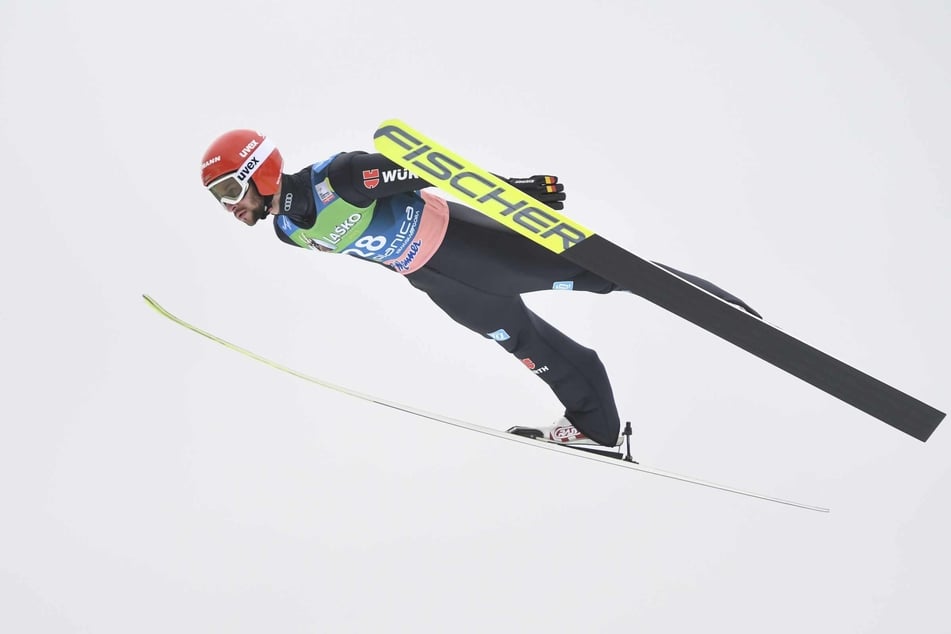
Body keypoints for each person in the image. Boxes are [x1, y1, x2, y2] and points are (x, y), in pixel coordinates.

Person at [200, 129, 760, 448]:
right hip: (440, 285)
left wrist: (514, 194)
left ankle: (724, 310)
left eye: (229, 189)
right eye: (218, 197)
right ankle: (597, 424)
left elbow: (427, 168)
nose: (230, 207)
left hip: (469, 246)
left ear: (259, 170)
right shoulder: (287, 231)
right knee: (525, 344)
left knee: (604, 273)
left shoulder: (339, 177)